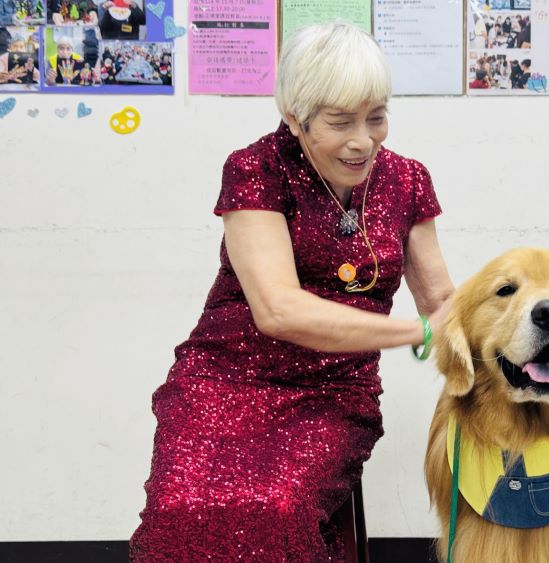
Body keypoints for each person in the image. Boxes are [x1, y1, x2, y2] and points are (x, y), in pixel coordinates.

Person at [129, 21, 454, 562]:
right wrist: (414, 332)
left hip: (333, 391)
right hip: (225, 377)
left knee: (275, 507)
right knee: (182, 505)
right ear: (294, 116)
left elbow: (443, 303)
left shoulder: (407, 180)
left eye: (377, 117)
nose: (363, 140)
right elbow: (278, 310)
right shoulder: (256, 168)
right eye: (340, 122)